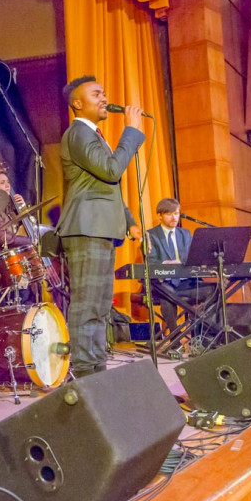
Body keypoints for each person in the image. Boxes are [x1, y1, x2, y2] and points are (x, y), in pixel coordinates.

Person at [56, 75, 144, 377]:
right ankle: (84, 372)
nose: (104, 98)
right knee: (87, 304)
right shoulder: (79, 133)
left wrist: (129, 221)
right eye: (96, 94)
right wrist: (131, 132)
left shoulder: (94, 135)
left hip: (101, 228)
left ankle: (97, 369)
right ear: (77, 104)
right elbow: (110, 171)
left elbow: (104, 185)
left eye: (104, 92)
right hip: (87, 228)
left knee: (101, 305)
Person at [145, 197, 214, 340]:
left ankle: (200, 334)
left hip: (186, 282)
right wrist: (169, 263)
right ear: (160, 215)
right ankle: (175, 338)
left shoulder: (186, 234)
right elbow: (151, 262)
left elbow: (194, 257)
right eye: (169, 214)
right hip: (163, 283)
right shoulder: (151, 235)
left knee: (214, 290)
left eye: (176, 213)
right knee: (167, 295)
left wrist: (182, 262)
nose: (174, 217)